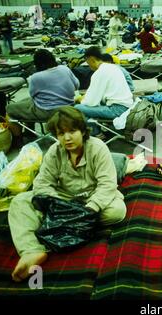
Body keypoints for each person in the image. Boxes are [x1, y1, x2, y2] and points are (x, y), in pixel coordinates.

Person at [8, 106, 127, 282]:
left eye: (72, 131)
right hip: (63, 199)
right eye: (61, 133)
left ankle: (59, 224)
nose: (67, 138)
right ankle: (32, 250)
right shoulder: (54, 151)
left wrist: (89, 208)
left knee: (117, 211)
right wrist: (58, 205)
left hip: (91, 200)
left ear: (83, 130)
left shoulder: (98, 148)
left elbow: (107, 184)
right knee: (19, 201)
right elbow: (42, 182)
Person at [7, 49, 79, 124]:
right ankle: (29, 131)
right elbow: (77, 86)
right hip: (69, 107)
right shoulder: (65, 69)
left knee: (10, 109)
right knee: (26, 101)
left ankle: (18, 136)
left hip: (48, 111)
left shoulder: (36, 77)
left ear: (37, 63)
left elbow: (33, 95)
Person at [74, 46, 133, 137]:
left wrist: (80, 99)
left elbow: (91, 102)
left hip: (117, 109)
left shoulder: (99, 73)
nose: (88, 66)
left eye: (88, 63)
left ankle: (96, 133)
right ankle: (97, 129)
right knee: (90, 109)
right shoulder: (113, 67)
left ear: (91, 59)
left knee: (78, 108)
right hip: (127, 104)